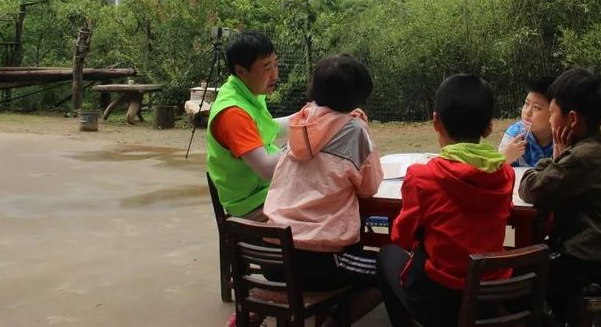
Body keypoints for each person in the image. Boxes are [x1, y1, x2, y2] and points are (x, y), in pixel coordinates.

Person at [377, 74, 514, 327]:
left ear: (435, 121)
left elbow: (401, 238)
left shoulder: (423, 176)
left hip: (438, 298)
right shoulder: (505, 174)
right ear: (489, 127)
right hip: (487, 295)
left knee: (387, 255)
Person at [262, 53, 384, 325]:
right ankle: (334, 321)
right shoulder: (354, 131)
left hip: (272, 256)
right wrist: (359, 124)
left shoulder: (300, 124)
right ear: (356, 98)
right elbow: (369, 188)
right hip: (318, 260)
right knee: (393, 272)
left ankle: (262, 308)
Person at [517, 68, 601, 325]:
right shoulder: (599, 147)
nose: (551, 120)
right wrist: (558, 159)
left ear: (572, 119)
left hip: (597, 266)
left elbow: (531, 189)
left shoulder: (580, 158)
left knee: (523, 276)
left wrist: (555, 159)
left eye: (552, 112)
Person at [206, 31, 289, 220]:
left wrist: (313, 118)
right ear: (241, 71)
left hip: (264, 192)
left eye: (275, 64)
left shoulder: (244, 91)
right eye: (267, 68)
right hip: (253, 204)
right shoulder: (233, 112)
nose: (275, 75)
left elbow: (265, 129)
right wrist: (302, 143)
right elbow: (267, 169)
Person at [498, 77, 555, 167]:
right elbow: (495, 170)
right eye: (527, 103)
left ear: (554, 112)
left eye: (537, 107)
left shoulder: (562, 138)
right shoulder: (514, 134)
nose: (527, 112)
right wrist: (504, 158)